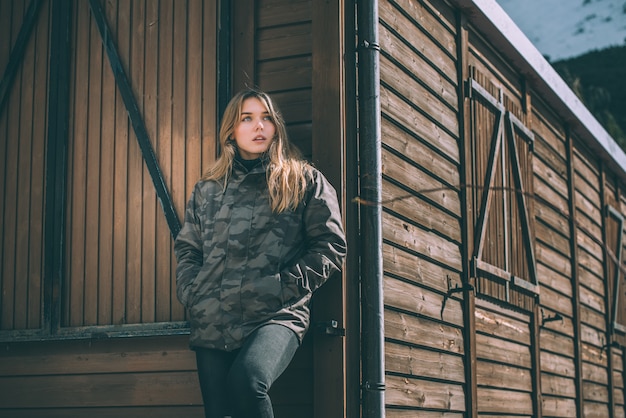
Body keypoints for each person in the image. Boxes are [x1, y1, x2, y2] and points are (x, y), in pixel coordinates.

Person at [174, 89, 347, 418]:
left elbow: (331, 245)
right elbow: (188, 248)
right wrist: (193, 292)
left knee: (246, 382)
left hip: (276, 315)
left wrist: (282, 287)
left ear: (277, 126)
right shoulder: (207, 190)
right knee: (220, 411)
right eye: (247, 118)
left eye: (267, 117)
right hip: (213, 317)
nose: (259, 126)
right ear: (231, 130)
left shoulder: (303, 180)